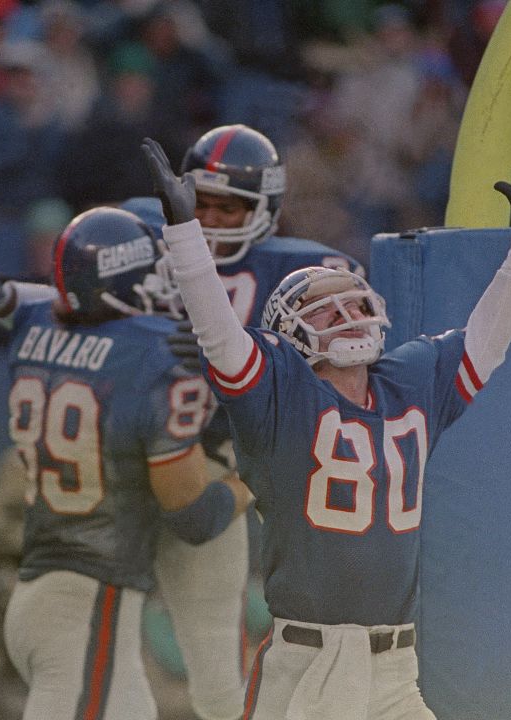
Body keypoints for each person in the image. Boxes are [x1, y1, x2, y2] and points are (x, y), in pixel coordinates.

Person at [143, 139, 511, 719]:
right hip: (307, 666)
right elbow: (222, 338)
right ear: (292, 333)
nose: (347, 316)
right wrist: (186, 239)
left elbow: (489, 334)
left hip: (396, 669)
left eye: (352, 303)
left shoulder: (412, 379)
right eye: (326, 309)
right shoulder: (279, 392)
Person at [0, 206, 254, 719]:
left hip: (44, 594)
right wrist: (255, 477)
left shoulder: (31, 327)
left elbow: (42, 305)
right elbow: (195, 516)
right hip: (87, 607)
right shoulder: (153, 360)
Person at [155, 123, 364, 720]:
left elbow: (333, 400)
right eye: (205, 204)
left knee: (221, 670)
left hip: (230, 463)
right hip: (136, 454)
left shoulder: (304, 271)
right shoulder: (143, 243)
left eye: (231, 206)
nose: (216, 219)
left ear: (264, 207)